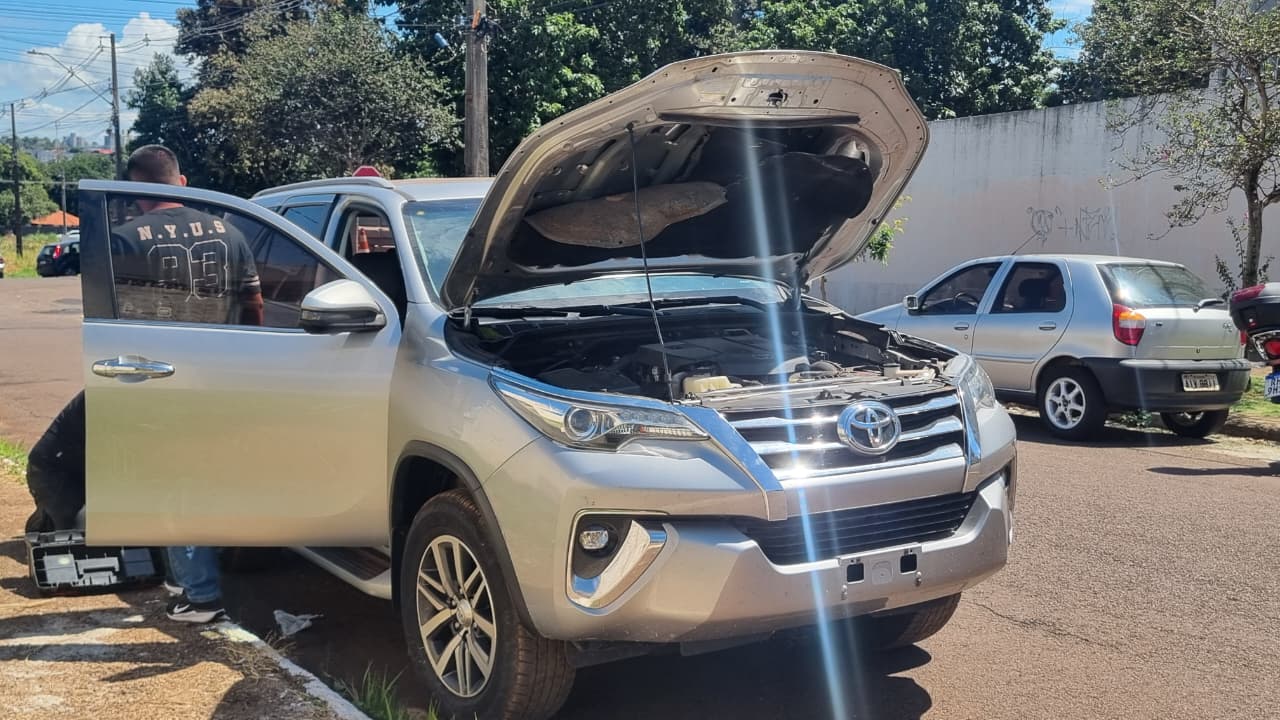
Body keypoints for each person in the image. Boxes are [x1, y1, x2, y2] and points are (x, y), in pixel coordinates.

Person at [114, 144, 264, 623]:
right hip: (220, 376)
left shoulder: (123, 239)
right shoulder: (231, 232)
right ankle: (189, 576)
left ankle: (200, 596)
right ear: (180, 182)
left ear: (134, 188)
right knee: (213, 476)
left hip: (157, 381)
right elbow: (254, 307)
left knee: (173, 486)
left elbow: (108, 318)